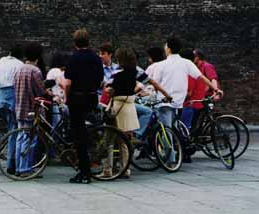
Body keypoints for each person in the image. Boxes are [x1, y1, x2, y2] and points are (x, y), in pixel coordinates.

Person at [148, 36, 223, 163]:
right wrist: (214, 89)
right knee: (174, 127)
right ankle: (181, 152)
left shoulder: (160, 65)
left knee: (166, 130)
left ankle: (170, 158)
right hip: (179, 102)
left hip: (164, 102)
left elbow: (155, 84)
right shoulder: (187, 63)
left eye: (166, 46)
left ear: (169, 49)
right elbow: (201, 77)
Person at [64, 29, 104, 184]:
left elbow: (68, 83)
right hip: (92, 97)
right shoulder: (95, 58)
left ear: (75, 42)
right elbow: (100, 80)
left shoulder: (73, 59)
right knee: (88, 130)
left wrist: (67, 97)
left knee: (78, 134)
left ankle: (84, 171)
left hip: (77, 98)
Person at [101, 47, 140, 178]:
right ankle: (125, 169)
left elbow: (108, 89)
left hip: (117, 106)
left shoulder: (117, 73)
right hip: (129, 107)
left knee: (109, 140)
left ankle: (107, 170)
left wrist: (106, 88)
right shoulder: (134, 72)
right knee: (124, 141)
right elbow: (144, 83)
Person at [13, 43, 50, 177]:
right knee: (30, 140)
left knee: (20, 137)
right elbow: (40, 90)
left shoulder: (19, 69)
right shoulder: (35, 71)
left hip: (19, 108)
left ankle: (18, 167)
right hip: (31, 110)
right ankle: (25, 168)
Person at [0, 44, 24, 174]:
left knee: (2, 125)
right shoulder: (20, 65)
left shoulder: (1, 60)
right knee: (14, 129)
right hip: (12, 93)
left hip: (0, 94)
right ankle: (11, 162)